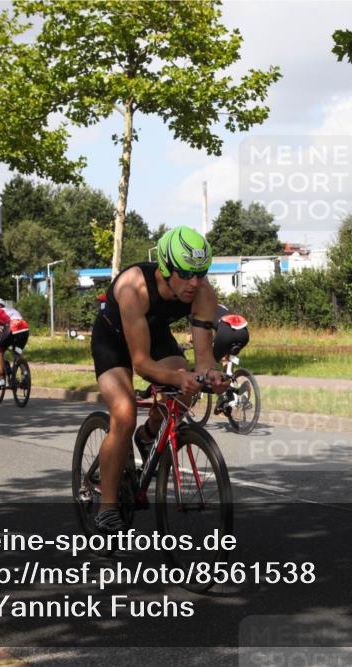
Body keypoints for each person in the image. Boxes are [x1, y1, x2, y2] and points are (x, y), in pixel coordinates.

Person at [90, 226, 227, 535]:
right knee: (124, 414)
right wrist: (180, 376)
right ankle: (107, 508)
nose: (195, 282)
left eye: (201, 273)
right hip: (113, 342)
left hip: (153, 336)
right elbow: (141, 364)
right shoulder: (132, 288)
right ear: (166, 268)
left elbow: (204, 357)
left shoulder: (202, 292)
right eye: (186, 274)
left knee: (185, 391)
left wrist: (211, 374)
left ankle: (149, 433)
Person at [0, 298, 30, 389]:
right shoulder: (12, 310)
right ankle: (25, 375)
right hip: (24, 328)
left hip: (12, 326)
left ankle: (1, 379)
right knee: (17, 353)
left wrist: (0, 340)